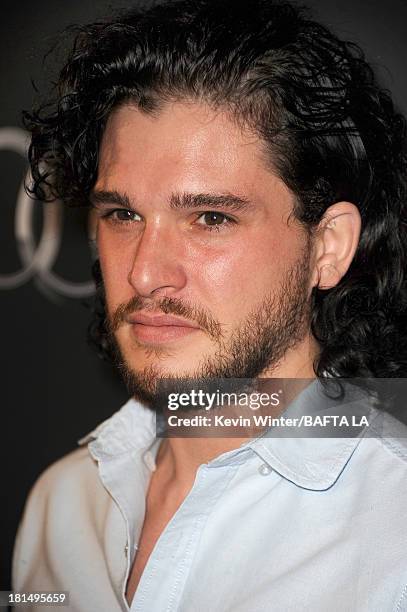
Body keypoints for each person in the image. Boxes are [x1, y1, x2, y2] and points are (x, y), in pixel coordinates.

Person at [12, 0, 407, 610]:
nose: (143, 272)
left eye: (210, 218)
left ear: (326, 248)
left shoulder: (393, 534)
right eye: (123, 214)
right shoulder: (61, 504)